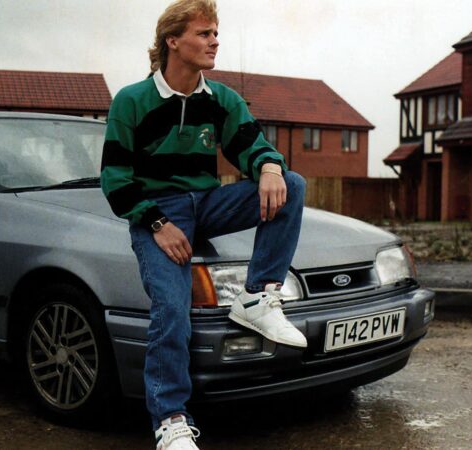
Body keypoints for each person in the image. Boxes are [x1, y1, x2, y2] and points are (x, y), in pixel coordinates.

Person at [100, 1, 306, 448]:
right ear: (173, 41)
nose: (215, 41)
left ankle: (257, 297)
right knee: (172, 311)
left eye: (216, 33)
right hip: (159, 211)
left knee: (292, 183)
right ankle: (170, 420)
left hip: (208, 202)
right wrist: (157, 222)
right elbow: (114, 181)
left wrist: (269, 166)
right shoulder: (132, 101)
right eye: (205, 33)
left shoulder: (222, 100)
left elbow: (253, 147)